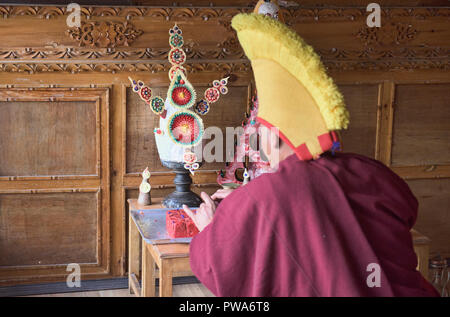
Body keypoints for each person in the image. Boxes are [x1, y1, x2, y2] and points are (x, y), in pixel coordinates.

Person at [182, 13, 438, 297]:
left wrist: (208, 231)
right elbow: (403, 208)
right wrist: (248, 204)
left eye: (260, 128)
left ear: (274, 135)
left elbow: (216, 264)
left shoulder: (264, 196)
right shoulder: (371, 171)